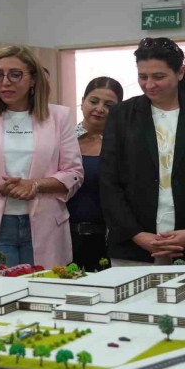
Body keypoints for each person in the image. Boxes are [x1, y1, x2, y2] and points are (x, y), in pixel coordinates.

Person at [0, 45, 83, 268]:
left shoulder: (59, 116)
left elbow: (74, 173)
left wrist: (35, 185)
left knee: (42, 287)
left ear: (33, 79)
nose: (5, 82)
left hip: (46, 225)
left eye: (15, 74)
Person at [100, 37, 185, 266]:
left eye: (158, 76)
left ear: (180, 72)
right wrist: (136, 234)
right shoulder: (122, 114)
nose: (149, 84)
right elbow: (109, 180)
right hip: (134, 246)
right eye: (143, 77)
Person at [68, 77, 124, 272]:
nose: (100, 109)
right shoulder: (62, 139)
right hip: (62, 236)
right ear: (82, 101)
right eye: (93, 101)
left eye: (109, 105)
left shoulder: (122, 144)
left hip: (108, 239)